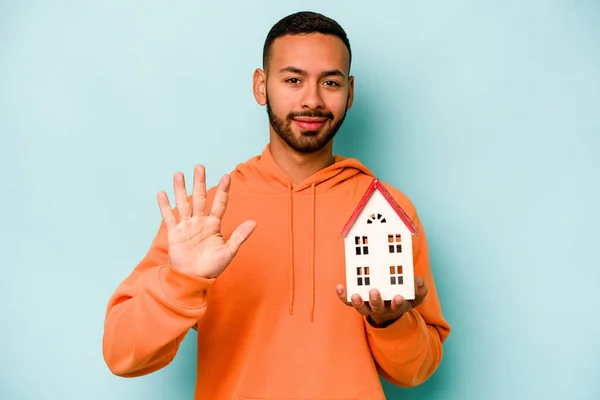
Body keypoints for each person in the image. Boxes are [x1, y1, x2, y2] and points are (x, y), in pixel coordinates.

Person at [102, 10, 451, 399]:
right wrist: (180, 282)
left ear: (349, 92)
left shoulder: (386, 210)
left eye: (330, 82)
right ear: (261, 85)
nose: (312, 100)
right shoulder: (205, 217)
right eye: (293, 80)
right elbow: (121, 355)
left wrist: (391, 323)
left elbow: (417, 371)